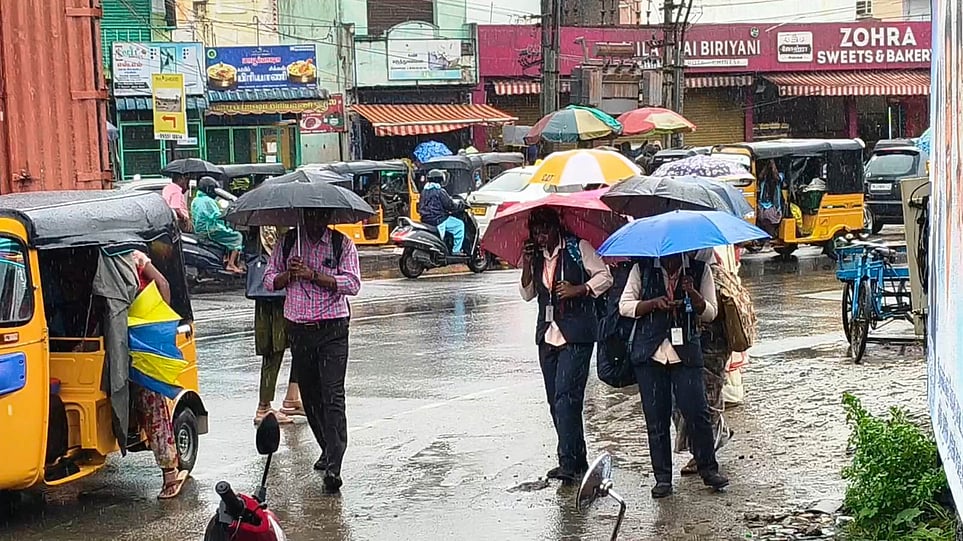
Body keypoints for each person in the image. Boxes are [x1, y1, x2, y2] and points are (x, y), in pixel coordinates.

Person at [263, 209, 361, 493]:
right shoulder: (288, 243)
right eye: (310, 218)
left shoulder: (340, 244)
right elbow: (269, 279)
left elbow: (352, 283)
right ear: (303, 217)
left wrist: (315, 275)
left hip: (333, 327)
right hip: (299, 328)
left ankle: (335, 463)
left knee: (333, 395)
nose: (315, 224)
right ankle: (326, 447)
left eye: (321, 218)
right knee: (311, 396)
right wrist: (288, 274)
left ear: (329, 217)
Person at [619, 252, 729, 498]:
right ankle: (663, 479)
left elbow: (710, 312)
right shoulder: (643, 268)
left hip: (686, 353)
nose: (672, 259)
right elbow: (624, 306)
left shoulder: (700, 271)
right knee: (656, 418)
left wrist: (694, 295)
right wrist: (652, 304)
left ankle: (709, 470)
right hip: (650, 353)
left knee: (697, 412)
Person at [520, 207, 613, 484]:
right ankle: (573, 459)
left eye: (545, 231)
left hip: (576, 334)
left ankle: (569, 463)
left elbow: (605, 277)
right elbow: (527, 293)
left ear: (556, 227)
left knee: (567, 399)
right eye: (536, 232)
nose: (540, 237)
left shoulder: (577, 247)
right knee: (554, 401)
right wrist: (527, 262)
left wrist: (580, 289)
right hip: (547, 336)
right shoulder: (536, 256)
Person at [129, 249, 188, 499]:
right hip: (132, 337)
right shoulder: (124, 255)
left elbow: (162, 283)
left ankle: (170, 473)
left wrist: (158, 324)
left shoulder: (131, 256)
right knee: (147, 406)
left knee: (152, 406)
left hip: (137, 338)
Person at [673, 247, 735, 476]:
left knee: (705, 402)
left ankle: (703, 454)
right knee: (688, 402)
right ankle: (710, 442)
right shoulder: (685, 271)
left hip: (711, 346)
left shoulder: (709, 274)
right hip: (695, 347)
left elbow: (711, 313)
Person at [254, 225, 303, 425]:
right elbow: (273, 252)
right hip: (274, 297)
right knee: (274, 350)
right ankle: (263, 406)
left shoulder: (293, 222)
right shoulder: (270, 223)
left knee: (301, 345)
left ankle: (292, 397)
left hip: (288, 295)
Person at [192, 176, 244, 274]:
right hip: (210, 229)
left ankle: (225, 259)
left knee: (227, 233)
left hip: (201, 229)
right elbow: (216, 215)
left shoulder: (196, 199)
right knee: (237, 236)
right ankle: (231, 264)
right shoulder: (208, 201)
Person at [417, 169, 465, 255]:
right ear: (440, 179)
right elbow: (450, 205)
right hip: (439, 220)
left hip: (426, 220)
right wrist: (459, 205)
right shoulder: (440, 191)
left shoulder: (424, 191)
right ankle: (456, 251)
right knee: (459, 225)